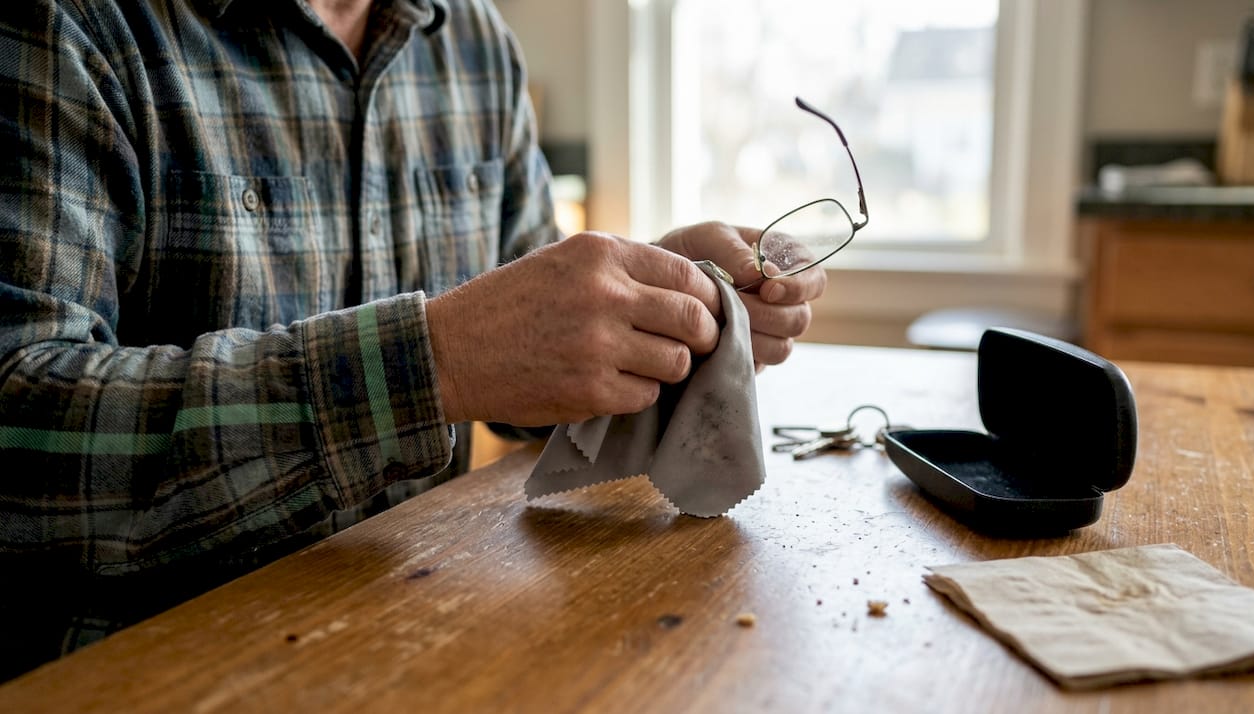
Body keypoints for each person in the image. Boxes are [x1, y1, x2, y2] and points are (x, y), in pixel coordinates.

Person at [0, 0, 825, 680]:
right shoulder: (70, 27)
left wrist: (656, 303)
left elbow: (533, 378)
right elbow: (19, 424)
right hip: (148, 672)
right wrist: (432, 362)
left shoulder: (472, 45)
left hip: (419, 644)